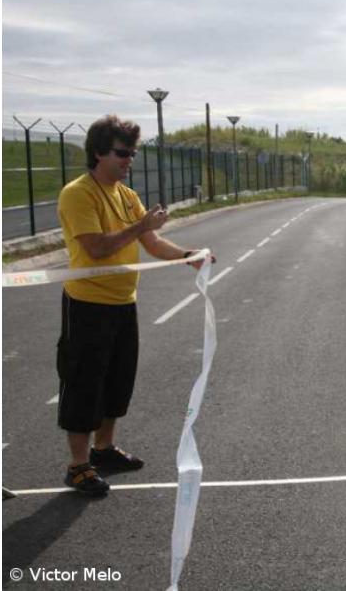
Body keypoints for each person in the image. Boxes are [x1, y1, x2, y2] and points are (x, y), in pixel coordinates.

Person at [57, 115, 212, 496]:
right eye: (122, 153)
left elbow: (153, 243)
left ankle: (104, 449)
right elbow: (96, 247)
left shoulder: (126, 195)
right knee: (83, 383)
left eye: (133, 153)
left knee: (117, 379)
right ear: (98, 152)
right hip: (88, 305)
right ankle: (78, 466)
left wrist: (188, 255)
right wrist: (140, 226)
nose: (130, 161)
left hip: (124, 303)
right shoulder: (79, 193)